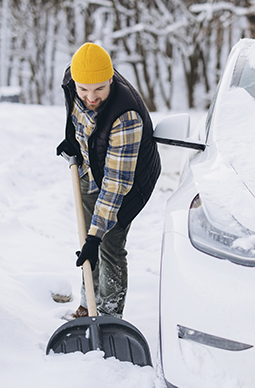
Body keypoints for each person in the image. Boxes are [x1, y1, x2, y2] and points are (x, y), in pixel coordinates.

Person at [56, 43, 161, 319]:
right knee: (87, 239)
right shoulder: (73, 77)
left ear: (111, 79)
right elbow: (77, 114)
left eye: (99, 89)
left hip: (127, 181)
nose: (91, 97)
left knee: (108, 244)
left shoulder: (126, 117)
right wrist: (74, 141)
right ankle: (87, 304)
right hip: (91, 169)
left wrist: (96, 236)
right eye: (84, 90)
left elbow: (115, 185)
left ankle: (108, 316)